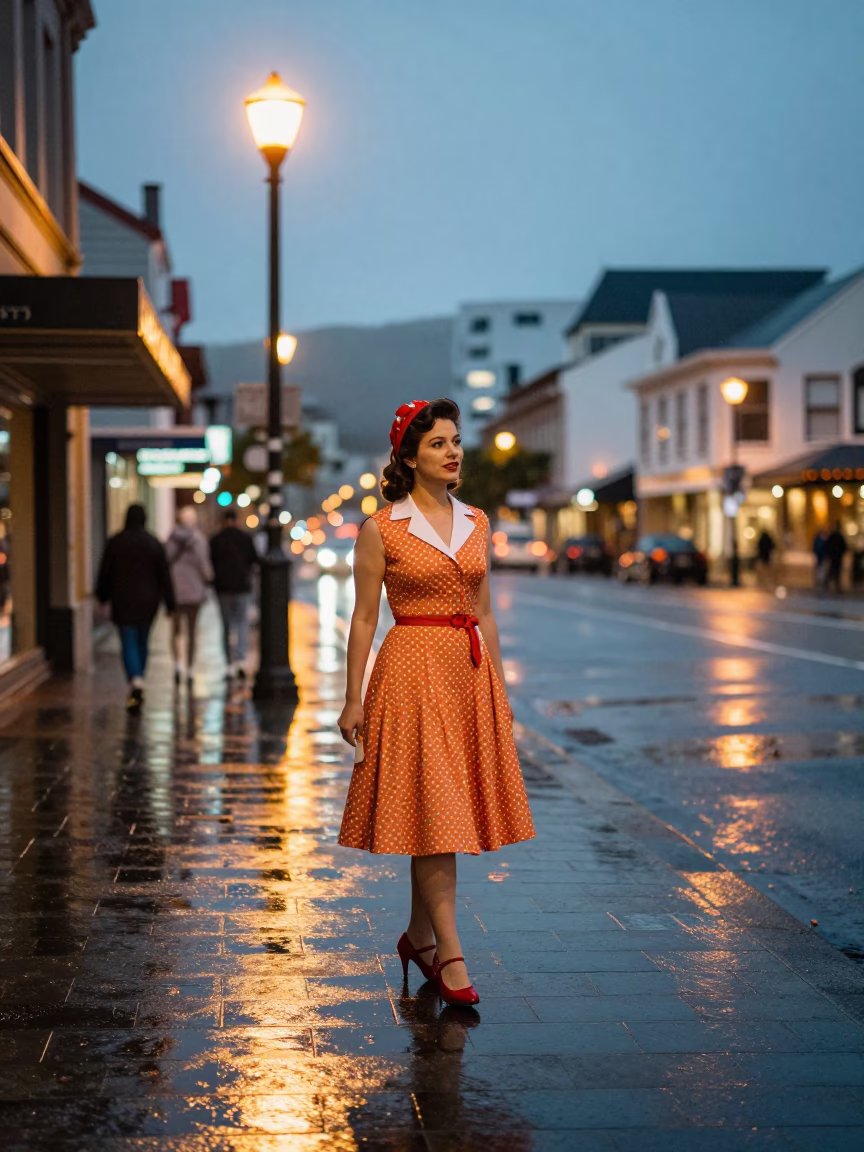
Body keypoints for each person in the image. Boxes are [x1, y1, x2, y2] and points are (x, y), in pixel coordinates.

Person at [337, 398, 535, 1007]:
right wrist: (352, 700)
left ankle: (419, 936)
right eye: (437, 444)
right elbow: (365, 618)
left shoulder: (477, 520)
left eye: (455, 441)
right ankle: (450, 954)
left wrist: (498, 690)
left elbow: (486, 612)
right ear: (409, 456)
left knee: (439, 811)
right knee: (439, 815)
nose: (453, 452)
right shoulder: (382, 528)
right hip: (409, 675)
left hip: (467, 675)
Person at [96, 503, 176, 712]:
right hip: (148, 602)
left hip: (123, 600)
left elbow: (105, 572)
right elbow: (164, 575)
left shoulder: (116, 542)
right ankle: (139, 676)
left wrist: (102, 596)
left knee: (128, 640)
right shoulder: (153, 543)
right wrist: (170, 603)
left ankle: (135, 679)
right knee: (143, 640)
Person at [166, 505, 213, 684]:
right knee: (192, 632)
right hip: (194, 593)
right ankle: (191, 668)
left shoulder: (171, 540)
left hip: (176, 592)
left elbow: (165, 564)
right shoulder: (199, 540)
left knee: (176, 631)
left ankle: (178, 664)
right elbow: (205, 568)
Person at [209, 508, 259, 678]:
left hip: (223, 588)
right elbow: (254, 560)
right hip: (242, 587)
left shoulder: (216, 540)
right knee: (242, 622)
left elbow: (211, 563)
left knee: (226, 625)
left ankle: (229, 662)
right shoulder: (245, 538)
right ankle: (240, 659)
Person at [825, 521, 847, 593]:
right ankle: (832, 582)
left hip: (835, 557)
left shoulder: (835, 536)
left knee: (834, 570)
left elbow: (828, 546)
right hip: (836, 557)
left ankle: (832, 582)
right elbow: (844, 547)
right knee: (835, 570)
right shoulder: (837, 536)